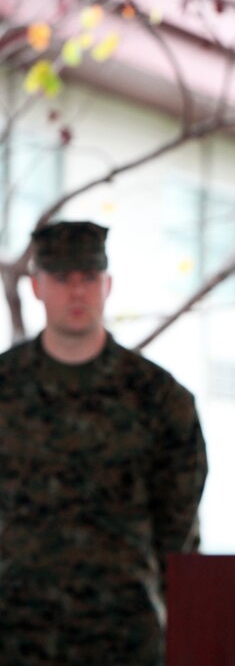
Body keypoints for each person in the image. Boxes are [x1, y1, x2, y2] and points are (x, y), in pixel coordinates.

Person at [0, 220, 208, 665]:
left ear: (107, 284)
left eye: (89, 278)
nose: (77, 292)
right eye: (61, 279)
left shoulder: (159, 398)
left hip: (123, 635)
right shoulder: (5, 388)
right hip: (15, 632)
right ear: (37, 286)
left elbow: (180, 531)